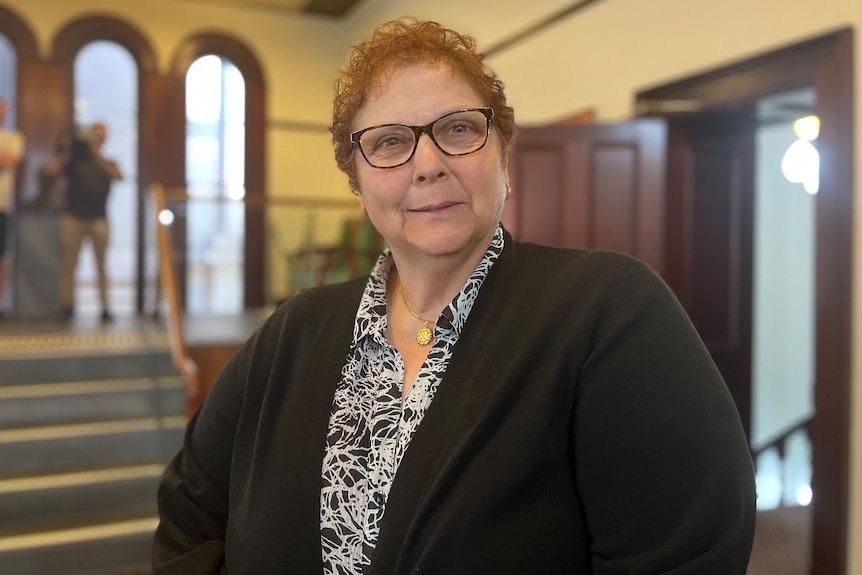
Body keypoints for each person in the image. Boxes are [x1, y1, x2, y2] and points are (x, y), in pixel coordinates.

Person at [153, 18, 756, 574]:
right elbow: (190, 513)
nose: (428, 163)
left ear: (503, 155)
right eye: (390, 143)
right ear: (358, 186)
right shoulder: (292, 331)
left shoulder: (611, 312)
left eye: (458, 129)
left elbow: (685, 554)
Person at [56, 122, 122, 321]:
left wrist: (94, 154)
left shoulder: (107, 162)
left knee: (101, 264)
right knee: (69, 264)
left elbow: (118, 175)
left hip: (99, 219)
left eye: (100, 137)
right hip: (73, 218)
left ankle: (104, 306)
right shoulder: (74, 160)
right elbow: (53, 172)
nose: (96, 140)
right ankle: (67, 305)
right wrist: (70, 148)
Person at [0, 98, 25, 317]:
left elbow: (7, 161)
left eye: (3, 109)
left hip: (2, 205)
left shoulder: (14, 138)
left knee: (2, 256)